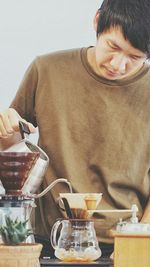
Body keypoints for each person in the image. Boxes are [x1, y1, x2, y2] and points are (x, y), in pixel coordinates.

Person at [1, 0, 150, 258]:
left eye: (135, 57)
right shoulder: (46, 70)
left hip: (126, 243)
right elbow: (12, 153)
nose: (118, 64)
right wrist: (7, 129)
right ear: (96, 21)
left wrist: (140, 236)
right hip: (47, 241)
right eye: (113, 47)